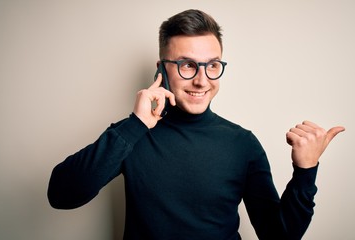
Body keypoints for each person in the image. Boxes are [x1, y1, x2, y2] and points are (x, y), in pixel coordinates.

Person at [47, 9, 345, 240]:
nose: (202, 80)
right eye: (187, 64)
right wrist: (136, 124)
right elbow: (61, 195)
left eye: (213, 65)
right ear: (162, 69)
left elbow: (278, 235)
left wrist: (305, 172)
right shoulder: (131, 134)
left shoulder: (242, 144)